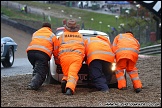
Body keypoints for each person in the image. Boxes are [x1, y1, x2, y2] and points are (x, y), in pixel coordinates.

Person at [58, 19, 85, 95]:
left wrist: (58, 59)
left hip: (64, 56)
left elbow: (57, 48)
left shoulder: (62, 36)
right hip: (76, 57)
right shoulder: (80, 36)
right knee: (72, 74)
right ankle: (69, 89)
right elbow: (84, 48)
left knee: (67, 73)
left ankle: (64, 81)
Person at [26, 22, 56, 90]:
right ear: (50, 28)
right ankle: (33, 85)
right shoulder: (52, 35)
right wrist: (56, 59)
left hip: (30, 52)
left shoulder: (36, 33)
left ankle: (34, 80)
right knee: (41, 71)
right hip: (42, 54)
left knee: (37, 68)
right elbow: (56, 49)